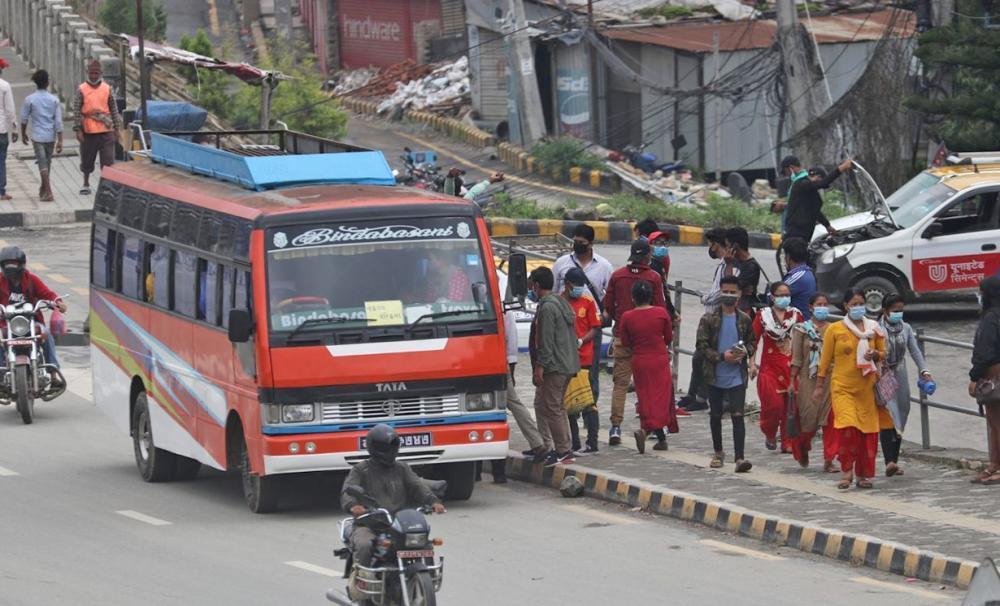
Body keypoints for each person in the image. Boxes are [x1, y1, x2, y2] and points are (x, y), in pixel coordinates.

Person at [813, 288, 888, 490]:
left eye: (860, 303)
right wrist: (819, 386)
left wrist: (875, 355)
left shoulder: (873, 328)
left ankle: (863, 475)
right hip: (842, 388)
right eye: (853, 304)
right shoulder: (835, 329)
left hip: (867, 389)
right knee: (847, 428)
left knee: (867, 433)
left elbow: (883, 352)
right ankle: (847, 472)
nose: (857, 307)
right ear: (846, 306)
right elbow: (825, 360)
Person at [341, 424, 446, 566]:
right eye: (387, 446)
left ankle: (428, 575)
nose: (391, 450)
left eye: (393, 445)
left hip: (399, 523)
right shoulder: (361, 470)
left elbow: (417, 485)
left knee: (424, 544)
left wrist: (433, 501)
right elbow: (348, 490)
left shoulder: (402, 468)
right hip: (369, 523)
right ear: (375, 447)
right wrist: (353, 505)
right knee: (365, 544)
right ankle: (363, 578)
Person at [602, 239, 666, 445]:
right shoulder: (653, 277)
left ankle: (615, 427)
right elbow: (659, 307)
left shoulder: (617, 276)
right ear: (648, 256)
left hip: (622, 337)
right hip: (647, 342)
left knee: (620, 385)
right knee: (648, 386)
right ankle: (653, 427)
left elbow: (608, 307)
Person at [696, 276, 755, 472]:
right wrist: (722, 357)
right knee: (715, 414)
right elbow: (701, 347)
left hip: (737, 375)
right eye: (725, 291)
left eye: (733, 292)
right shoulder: (708, 319)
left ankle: (740, 458)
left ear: (739, 295)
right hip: (714, 374)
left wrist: (743, 352)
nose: (729, 296)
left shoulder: (744, 319)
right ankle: (718, 452)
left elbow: (751, 343)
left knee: (738, 415)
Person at [552, 223, 614, 402]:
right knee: (563, 371)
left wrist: (606, 314)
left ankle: (589, 413)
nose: (578, 244)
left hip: (591, 327)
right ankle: (567, 410)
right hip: (564, 326)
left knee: (591, 373)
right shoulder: (561, 264)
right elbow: (554, 291)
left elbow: (610, 296)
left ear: (591, 244)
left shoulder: (604, 266)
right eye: (575, 241)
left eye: (582, 242)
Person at [528, 266, 580, 467]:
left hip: (555, 366)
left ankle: (563, 450)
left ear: (538, 285)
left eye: (532, 285)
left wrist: (540, 367)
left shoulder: (548, 307)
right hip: (567, 363)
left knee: (552, 407)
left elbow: (545, 341)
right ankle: (552, 446)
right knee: (550, 405)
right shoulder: (560, 302)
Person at [878, 293, 932, 477]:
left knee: (902, 411)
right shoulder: (876, 328)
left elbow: (915, 352)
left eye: (901, 310)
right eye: (895, 311)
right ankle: (889, 461)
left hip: (900, 371)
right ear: (885, 311)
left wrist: (925, 372)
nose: (898, 314)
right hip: (883, 373)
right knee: (889, 414)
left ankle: (895, 459)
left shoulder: (906, 328)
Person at [678, 228, 731, 412]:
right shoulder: (722, 265)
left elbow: (722, 292)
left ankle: (701, 397)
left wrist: (705, 298)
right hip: (710, 318)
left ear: (716, 243)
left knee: (703, 358)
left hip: (717, 318)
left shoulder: (727, 266)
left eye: (710, 243)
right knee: (699, 358)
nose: (709, 248)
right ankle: (695, 395)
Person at [620, 280, 675, 453]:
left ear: (633, 298)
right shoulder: (661, 313)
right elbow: (668, 337)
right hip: (659, 358)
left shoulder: (627, 316)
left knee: (646, 398)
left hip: (640, 360)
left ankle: (660, 438)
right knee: (662, 398)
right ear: (651, 296)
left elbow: (625, 341)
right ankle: (647, 431)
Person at [0, 246, 68, 380]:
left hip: (32, 322)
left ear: (21, 265)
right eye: (7, 266)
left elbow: (47, 293)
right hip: (5, 324)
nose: (11, 272)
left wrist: (57, 302)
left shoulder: (31, 279)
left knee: (46, 335)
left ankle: (53, 374)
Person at [751, 281, 803, 452]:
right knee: (773, 406)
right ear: (772, 297)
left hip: (791, 368)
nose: (784, 298)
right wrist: (752, 363)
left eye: (787, 295)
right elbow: (753, 341)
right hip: (769, 369)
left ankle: (787, 442)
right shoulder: (762, 316)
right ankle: (770, 433)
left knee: (791, 408)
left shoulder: (796, 316)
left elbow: (804, 340)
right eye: (780, 295)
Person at [789, 292, 838, 470]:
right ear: (810, 307)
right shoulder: (801, 329)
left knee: (831, 421)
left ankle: (829, 459)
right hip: (807, 379)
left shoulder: (834, 329)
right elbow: (796, 358)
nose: (822, 308)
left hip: (830, 379)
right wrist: (791, 382)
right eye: (819, 304)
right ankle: (803, 447)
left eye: (825, 304)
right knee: (808, 419)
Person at [562, 268, 602, 455]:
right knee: (569, 402)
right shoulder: (559, 302)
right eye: (575, 285)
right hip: (566, 359)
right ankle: (574, 442)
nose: (578, 289)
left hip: (585, 359)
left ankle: (592, 442)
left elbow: (595, 328)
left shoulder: (588, 302)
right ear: (567, 284)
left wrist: (581, 340)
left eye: (581, 285)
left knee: (587, 401)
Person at [74, 59, 121, 196]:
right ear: (87, 72)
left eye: (96, 73)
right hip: (88, 130)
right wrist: (78, 129)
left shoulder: (107, 88)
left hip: (106, 129)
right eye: (91, 73)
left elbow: (114, 109)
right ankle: (86, 183)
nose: (93, 76)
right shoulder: (82, 89)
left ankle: (106, 186)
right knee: (87, 159)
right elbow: (77, 110)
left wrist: (116, 129)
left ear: (101, 73)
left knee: (108, 160)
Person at [969, 276, 1000, 485]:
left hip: (993, 377)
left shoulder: (991, 319)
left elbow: (985, 352)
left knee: (996, 422)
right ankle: (995, 464)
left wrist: (974, 377)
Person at [781, 156, 852, 242]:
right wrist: (843, 167)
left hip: (803, 232)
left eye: (785, 172)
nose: (787, 175)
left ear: (791, 168)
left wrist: (827, 226)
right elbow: (825, 182)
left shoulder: (805, 185)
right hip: (796, 233)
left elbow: (813, 209)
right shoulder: (801, 184)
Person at [19, 70, 63, 203]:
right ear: (47, 83)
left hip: (37, 136)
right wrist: (60, 140)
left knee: (42, 162)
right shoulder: (54, 100)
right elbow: (58, 121)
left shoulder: (30, 99)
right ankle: (45, 190)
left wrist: (23, 134)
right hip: (50, 136)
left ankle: (46, 190)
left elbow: (24, 119)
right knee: (47, 162)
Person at [725, 227, 762, 316]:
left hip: (743, 311)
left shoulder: (751, 266)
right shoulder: (734, 261)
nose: (726, 249)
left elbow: (729, 287)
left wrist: (729, 265)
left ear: (735, 246)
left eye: (728, 246)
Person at [781, 237, 816, 319]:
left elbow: (773, 296)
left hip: (796, 323)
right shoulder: (806, 272)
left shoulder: (798, 276)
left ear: (788, 256)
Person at [0, 57, 16, 201]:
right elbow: (10, 109)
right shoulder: (5, 86)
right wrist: (15, 128)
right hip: (1, 130)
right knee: (1, 160)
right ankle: (1, 191)